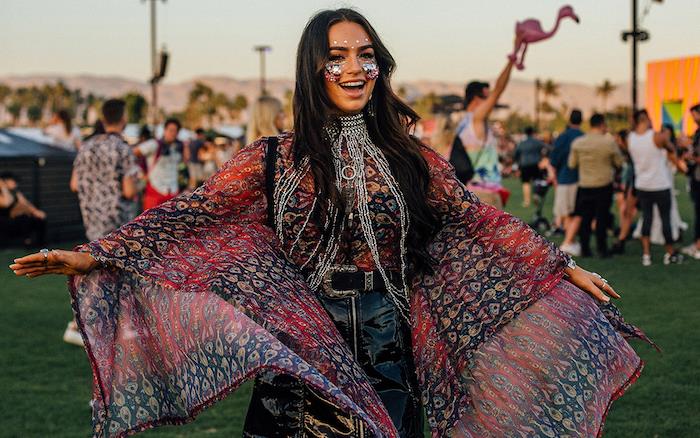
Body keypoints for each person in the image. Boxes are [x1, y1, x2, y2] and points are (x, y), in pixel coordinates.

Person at [11, 9, 651, 438]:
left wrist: (560, 269)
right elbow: (193, 213)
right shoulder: (272, 160)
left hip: (387, 342)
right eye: (337, 56)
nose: (353, 68)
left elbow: (474, 219)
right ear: (313, 66)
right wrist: (99, 254)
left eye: (365, 55)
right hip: (302, 342)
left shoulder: (409, 156)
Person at [66, 98, 140, 346]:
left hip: (93, 221)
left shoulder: (86, 147)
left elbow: (74, 184)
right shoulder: (122, 148)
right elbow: (129, 191)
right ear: (123, 118)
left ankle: (81, 324)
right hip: (119, 220)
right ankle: (124, 327)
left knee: (97, 273)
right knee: (123, 274)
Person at [449, 53, 520, 208]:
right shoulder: (476, 119)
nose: (491, 103)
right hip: (485, 194)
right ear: (476, 99)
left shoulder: (463, 124)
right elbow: (499, 90)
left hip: (473, 192)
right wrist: (511, 61)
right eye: (487, 98)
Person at [627, 109, 685, 265]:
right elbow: (671, 149)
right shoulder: (656, 136)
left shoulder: (631, 138)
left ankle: (646, 255)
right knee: (665, 219)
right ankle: (669, 253)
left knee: (646, 218)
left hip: (642, 185)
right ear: (645, 119)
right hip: (660, 185)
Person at [568, 113, 623, 258]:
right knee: (602, 217)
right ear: (602, 124)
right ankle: (602, 248)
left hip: (585, 185)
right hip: (603, 184)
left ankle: (585, 248)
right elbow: (619, 163)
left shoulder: (578, 142)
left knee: (585, 218)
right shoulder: (609, 143)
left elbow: (572, 164)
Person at [551, 109, 584, 255]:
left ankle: (568, 242)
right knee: (574, 212)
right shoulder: (583, 137)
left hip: (564, 178)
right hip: (581, 179)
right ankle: (571, 241)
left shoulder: (563, 137)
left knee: (566, 213)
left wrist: (555, 178)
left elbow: (554, 161)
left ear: (569, 120)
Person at [134, 118, 184, 210]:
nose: (173, 133)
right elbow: (134, 153)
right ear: (164, 130)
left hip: (172, 192)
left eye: (176, 131)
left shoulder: (177, 147)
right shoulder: (154, 144)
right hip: (155, 191)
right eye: (171, 130)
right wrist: (140, 173)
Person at [0, 172, 46, 247]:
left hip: (15, 220)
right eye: (14, 181)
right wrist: (3, 187)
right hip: (4, 222)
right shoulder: (2, 193)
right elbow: (6, 203)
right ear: (5, 181)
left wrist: (35, 212)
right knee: (24, 219)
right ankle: (26, 242)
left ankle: (40, 245)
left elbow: (25, 203)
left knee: (39, 219)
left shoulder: (15, 192)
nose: (16, 183)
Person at [611, 129, 638, 254]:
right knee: (626, 211)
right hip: (632, 184)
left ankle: (622, 238)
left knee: (626, 211)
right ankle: (622, 237)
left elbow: (630, 171)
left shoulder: (631, 152)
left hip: (635, 184)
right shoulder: (628, 152)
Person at [681, 103, 700, 259]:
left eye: (694, 114)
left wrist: (691, 156)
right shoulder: (697, 132)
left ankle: (698, 246)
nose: (692, 118)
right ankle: (696, 243)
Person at [514, 126, 546, 207]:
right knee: (536, 180)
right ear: (532, 133)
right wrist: (542, 157)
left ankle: (527, 201)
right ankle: (536, 195)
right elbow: (547, 148)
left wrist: (518, 163)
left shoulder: (522, 143)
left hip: (524, 165)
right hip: (535, 164)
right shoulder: (537, 142)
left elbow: (516, 154)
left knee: (526, 183)